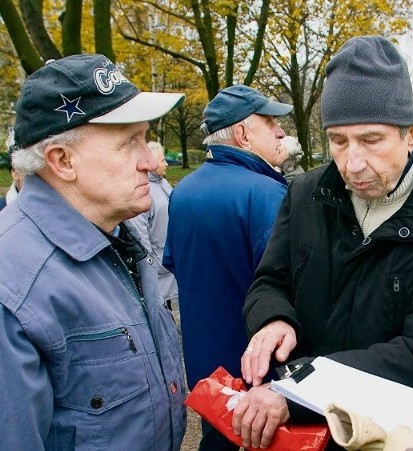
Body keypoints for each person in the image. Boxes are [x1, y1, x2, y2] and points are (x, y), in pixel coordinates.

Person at [232, 35, 413, 450]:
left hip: (391, 433)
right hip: (301, 434)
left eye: (371, 140)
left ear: (410, 135)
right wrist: (272, 319)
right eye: (338, 141)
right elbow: (269, 281)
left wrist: (299, 390)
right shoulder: (305, 194)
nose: (352, 163)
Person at [0, 54, 186, 449]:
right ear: (63, 161)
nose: (152, 162)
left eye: (145, 138)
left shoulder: (118, 236)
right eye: (130, 143)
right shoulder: (13, 285)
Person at [163, 84, 292, 450]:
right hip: (257, 366)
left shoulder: (183, 190)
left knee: (216, 437)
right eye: (270, 123)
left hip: (207, 362)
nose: (280, 131)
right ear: (243, 134)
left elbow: (174, 262)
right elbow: (287, 285)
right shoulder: (267, 193)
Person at [127, 141, 178, 311]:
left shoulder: (162, 183)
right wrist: (151, 266)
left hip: (168, 263)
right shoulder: (144, 189)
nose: (166, 164)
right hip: (159, 268)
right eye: (162, 160)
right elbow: (140, 234)